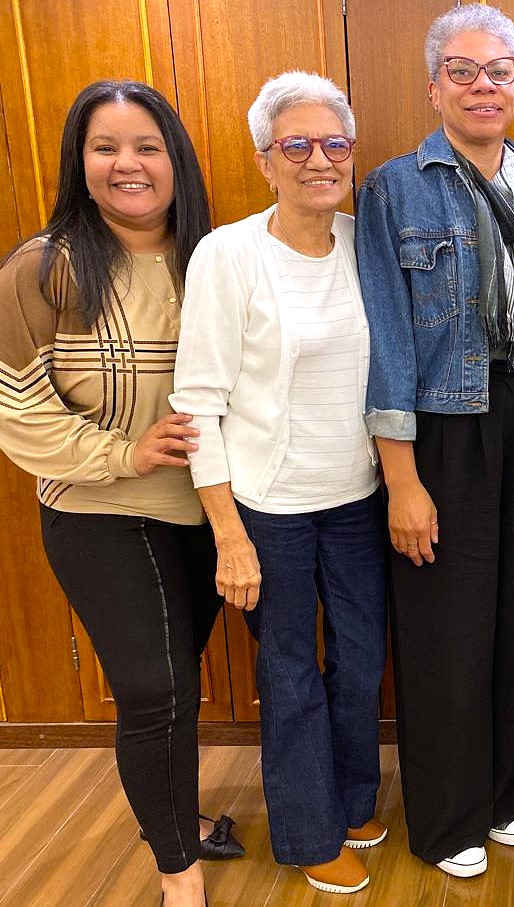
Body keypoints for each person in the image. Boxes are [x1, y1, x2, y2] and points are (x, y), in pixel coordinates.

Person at [0, 80, 243, 907]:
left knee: (177, 678)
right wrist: (124, 451)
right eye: (105, 147)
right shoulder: (43, 267)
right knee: (153, 688)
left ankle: (177, 818)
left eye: (147, 146)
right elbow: (17, 410)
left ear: (177, 159)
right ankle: (180, 876)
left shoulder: (215, 255)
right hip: (99, 512)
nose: (127, 164)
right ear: (79, 161)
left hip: (211, 515)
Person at [171, 71, 386, 896]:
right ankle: (305, 830)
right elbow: (198, 405)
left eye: (334, 143)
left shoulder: (364, 241)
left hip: (359, 498)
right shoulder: (228, 253)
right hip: (269, 509)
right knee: (290, 672)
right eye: (295, 145)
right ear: (266, 161)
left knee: (363, 660)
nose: (318, 160)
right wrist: (229, 533)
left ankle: (353, 797)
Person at [355, 5, 514, 879]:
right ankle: (445, 820)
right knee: (445, 627)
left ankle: (505, 793)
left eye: (500, 70)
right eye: (465, 71)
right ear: (435, 84)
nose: (486, 86)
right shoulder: (394, 188)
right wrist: (401, 476)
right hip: (442, 425)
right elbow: (389, 339)